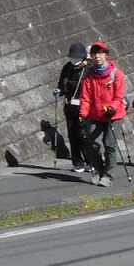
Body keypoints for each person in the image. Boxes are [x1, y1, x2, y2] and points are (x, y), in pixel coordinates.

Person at [77, 41, 127, 187]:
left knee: (109, 145)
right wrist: (82, 114)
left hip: (114, 116)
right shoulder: (89, 75)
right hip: (95, 115)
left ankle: (108, 175)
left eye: (100, 53)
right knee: (93, 145)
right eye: (94, 54)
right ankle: (98, 171)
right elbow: (85, 97)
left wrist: (112, 108)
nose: (97, 57)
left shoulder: (116, 74)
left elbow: (119, 96)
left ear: (106, 55)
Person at [54, 42, 93, 172]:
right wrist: (59, 91)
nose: (74, 60)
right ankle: (77, 162)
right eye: (72, 57)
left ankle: (90, 161)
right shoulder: (67, 68)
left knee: (84, 134)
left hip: (84, 106)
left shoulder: (88, 69)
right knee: (72, 135)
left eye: (77, 57)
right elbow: (62, 84)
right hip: (70, 106)